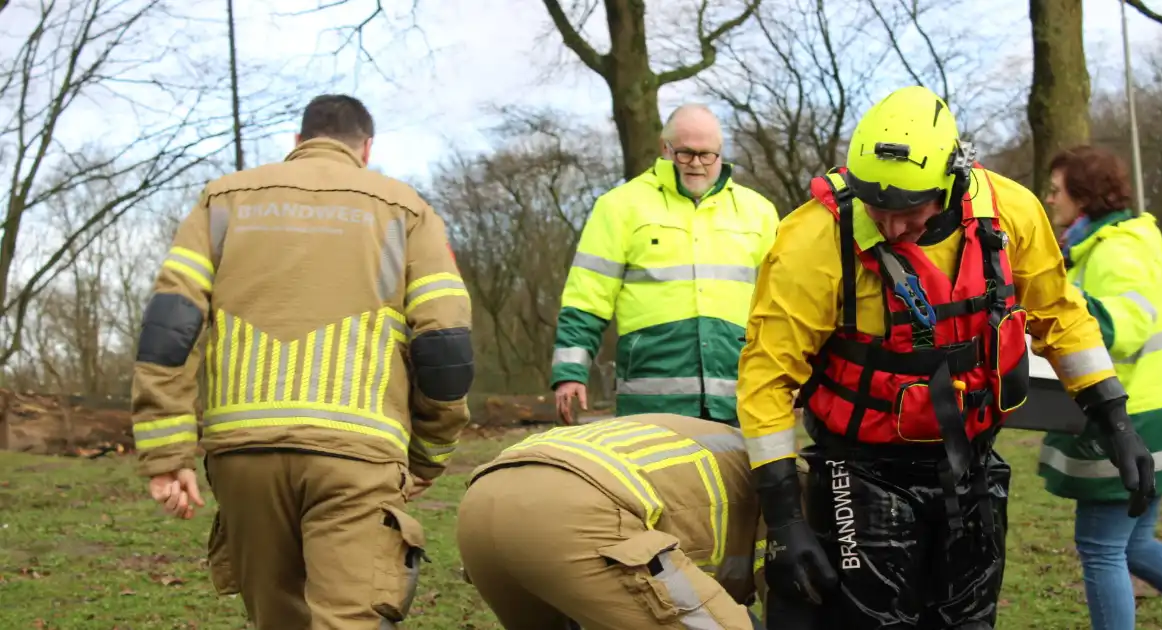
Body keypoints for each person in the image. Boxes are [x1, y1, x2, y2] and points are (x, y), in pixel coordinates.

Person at [735, 85, 1156, 630]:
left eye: (909, 209)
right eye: (875, 206)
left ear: (953, 180)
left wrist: (1114, 418)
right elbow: (766, 378)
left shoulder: (1010, 215)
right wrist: (786, 518)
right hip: (859, 467)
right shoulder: (813, 239)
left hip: (971, 461)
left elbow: (1061, 315)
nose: (889, 226)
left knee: (968, 620)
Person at [129, 94, 475, 629]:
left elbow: (170, 325)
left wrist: (165, 447)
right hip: (358, 453)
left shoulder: (221, 201)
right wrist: (429, 453)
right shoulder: (406, 209)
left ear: (298, 142)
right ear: (367, 147)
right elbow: (445, 342)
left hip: (244, 453)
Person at [550, 103, 780, 426]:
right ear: (665, 149)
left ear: (721, 152)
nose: (697, 164)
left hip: (739, 402)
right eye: (685, 153)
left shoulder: (759, 212)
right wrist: (570, 372)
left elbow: (781, 307)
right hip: (650, 403)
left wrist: (791, 376)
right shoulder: (619, 207)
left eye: (707, 154)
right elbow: (587, 296)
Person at [456, 412, 775, 630]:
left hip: (482, 500)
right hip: (578, 511)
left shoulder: (709, 439)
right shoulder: (783, 480)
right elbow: (784, 578)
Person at [1039, 144, 1162, 630]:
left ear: (1084, 196)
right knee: (1134, 544)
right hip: (1152, 417)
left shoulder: (1116, 247)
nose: (1049, 199)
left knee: (1102, 549)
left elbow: (1128, 321)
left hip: (1133, 420)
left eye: (1056, 191)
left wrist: (1062, 304)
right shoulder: (1100, 245)